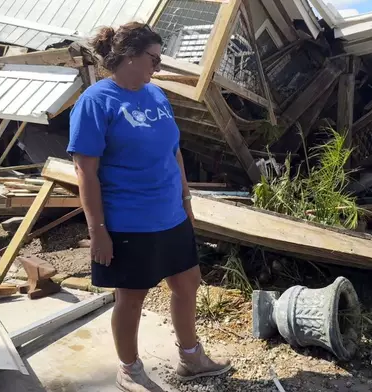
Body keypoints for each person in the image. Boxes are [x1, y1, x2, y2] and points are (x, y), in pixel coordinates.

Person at [67, 22, 232, 392]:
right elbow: (86, 173)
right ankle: (129, 369)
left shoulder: (155, 96)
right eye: (153, 59)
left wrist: (187, 199)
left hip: (169, 214)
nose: (157, 67)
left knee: (187, 281)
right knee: (132, 297)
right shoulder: (96, 102)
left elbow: (174, 152)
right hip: (128, 221)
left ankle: (191, 358)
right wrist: (98, 232)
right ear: (128, 57)